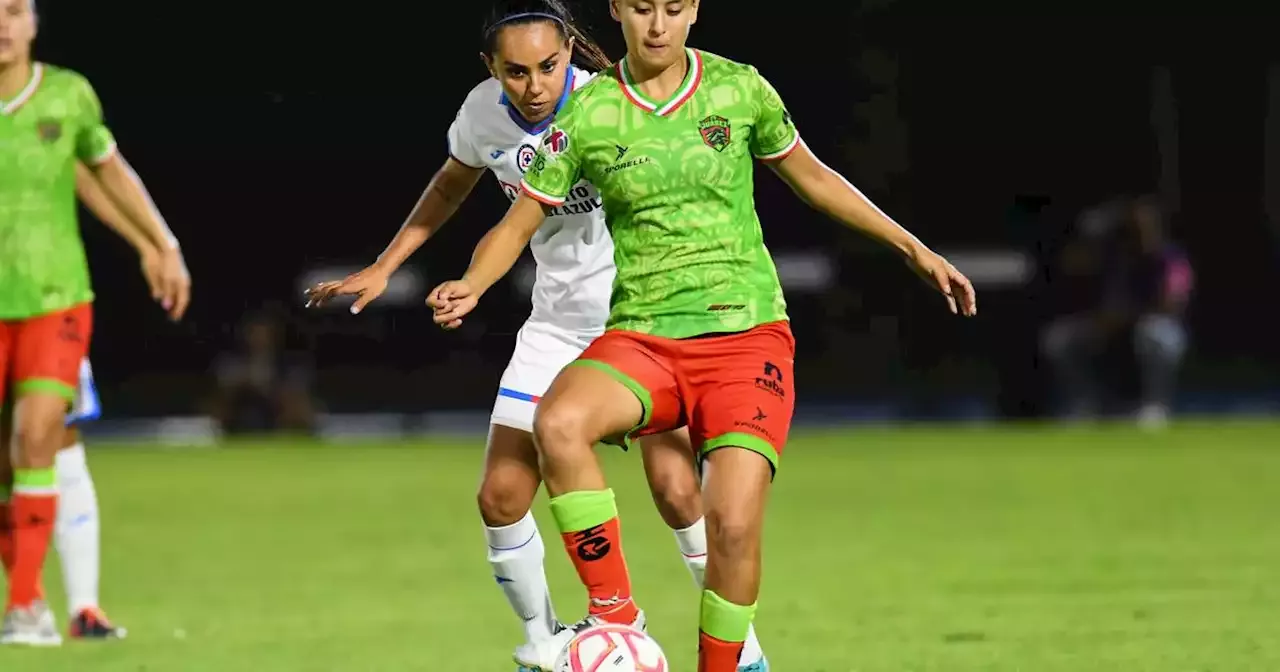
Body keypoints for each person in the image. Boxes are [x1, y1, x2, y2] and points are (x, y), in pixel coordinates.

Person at [426, 1, 978, 669]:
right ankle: (616, 618)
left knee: (731, 524)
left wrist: (914, 249)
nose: (656, 25)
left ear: (693, 10)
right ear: (617, 12)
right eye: (640, 9)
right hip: (644, 337)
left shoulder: (739, 89)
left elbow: (814, 178)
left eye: (671, 8)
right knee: (561, 421)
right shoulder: (587, 114)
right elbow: (518, 223)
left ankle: (729, 662)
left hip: (743, 335)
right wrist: (474, 283)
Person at [305, 2, 767, 669]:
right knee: (500, 496)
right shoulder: (481, 114)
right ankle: (551, 644)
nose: (535, 85)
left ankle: (741, 652)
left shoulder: (610, 104)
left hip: (637, 318)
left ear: (570, 55)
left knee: (674, 488)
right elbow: (451, 185)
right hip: (557, 323)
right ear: (491, 68)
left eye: (549, 66)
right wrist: (389, 265)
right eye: (515, 71)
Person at [0, 0, 187, 645]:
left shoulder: (67, 95)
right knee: (24, 451)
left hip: (55, 298)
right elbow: (78, 174)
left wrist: (156, 243)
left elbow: (95, 171)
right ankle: (53, 606)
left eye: (15, 10)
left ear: (33, 21)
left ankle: (67, 606)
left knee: (46, 434)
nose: (3, 23)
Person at [1040, 195, 1192, 428]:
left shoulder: (1171, 258)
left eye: (1146, 226)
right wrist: (1092, 231)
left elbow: (1172, 303)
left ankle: (1155, 406)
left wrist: (1128, 317)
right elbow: (1070, 263)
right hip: (1111, 326)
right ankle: (1084, 405)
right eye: (1134, 227)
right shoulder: (1117, 256)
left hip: (1158, 327)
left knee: (1154, 335)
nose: (1141, 234)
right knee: (1060, 338)